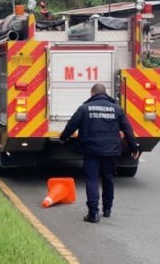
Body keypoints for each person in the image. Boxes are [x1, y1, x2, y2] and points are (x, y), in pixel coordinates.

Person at [59, 84, 141, 223]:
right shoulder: (117, 109)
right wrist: (134, 148)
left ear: (92, 94)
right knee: (108, 177)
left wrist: (63, 138)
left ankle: (93, 213)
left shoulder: (84, 109)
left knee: (92, 179)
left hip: (90, 150)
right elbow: (127, 129)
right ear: (105, 93)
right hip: (111, 151)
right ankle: (107, 209)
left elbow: (71, 126)